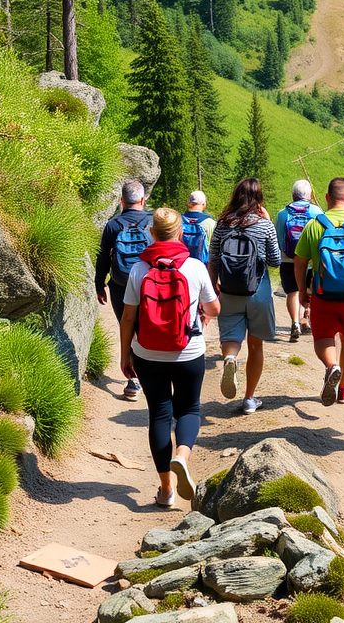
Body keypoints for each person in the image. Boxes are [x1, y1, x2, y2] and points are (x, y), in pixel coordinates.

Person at [120, 207, 220, 506]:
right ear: (180, 234)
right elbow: (214, 309)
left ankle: (165, 490)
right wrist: (203, 312)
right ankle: (182, 456)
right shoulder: (194, 267)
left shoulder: (139, 269)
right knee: (189, 409)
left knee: (159, 415)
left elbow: (127, 317)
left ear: (152, 234)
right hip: (188, 352)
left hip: (147, 354)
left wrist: (126, 354)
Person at [294, 177, 344, 406]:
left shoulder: (313, 225)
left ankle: (332, 366)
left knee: (323, 337)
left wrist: (302, 291)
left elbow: (300, 263)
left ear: (327, 198)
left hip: (322, 294)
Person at [208, 177, 281, 414]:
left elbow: (214, 260)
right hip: (257, 290)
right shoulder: (264, 225)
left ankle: (230, 359)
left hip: (229, 290)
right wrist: (268, 222)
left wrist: (212, 289)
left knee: (231, 338)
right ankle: (249, 398)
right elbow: (275, 260)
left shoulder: (222, 224)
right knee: (255, 344)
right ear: (258, 199)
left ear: (236, 195)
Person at [95, 179, 152, 400]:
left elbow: (103, 258)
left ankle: (133, 382)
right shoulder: (152, 221)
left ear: (122, 201)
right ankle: (151, 373)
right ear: (142, 200)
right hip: (149, 285)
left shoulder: (113, 225)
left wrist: (100, 285)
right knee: (146, 326)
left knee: (127, 327)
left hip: (120, 285)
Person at [275, 180, 321, 341]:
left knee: (293, 292)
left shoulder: (282, 214)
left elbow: (279, 239)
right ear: (309, 195)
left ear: (293, 195)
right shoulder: (317, 211)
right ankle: (307, 320)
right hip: (310, 261)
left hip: (288, 259)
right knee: (310, 290)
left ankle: (295, 322)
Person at [181, 190, 216, 263]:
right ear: (203, 204)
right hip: (202, 265)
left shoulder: (178, 221)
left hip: (181, 264)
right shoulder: (211, 223)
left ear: (189, 204)